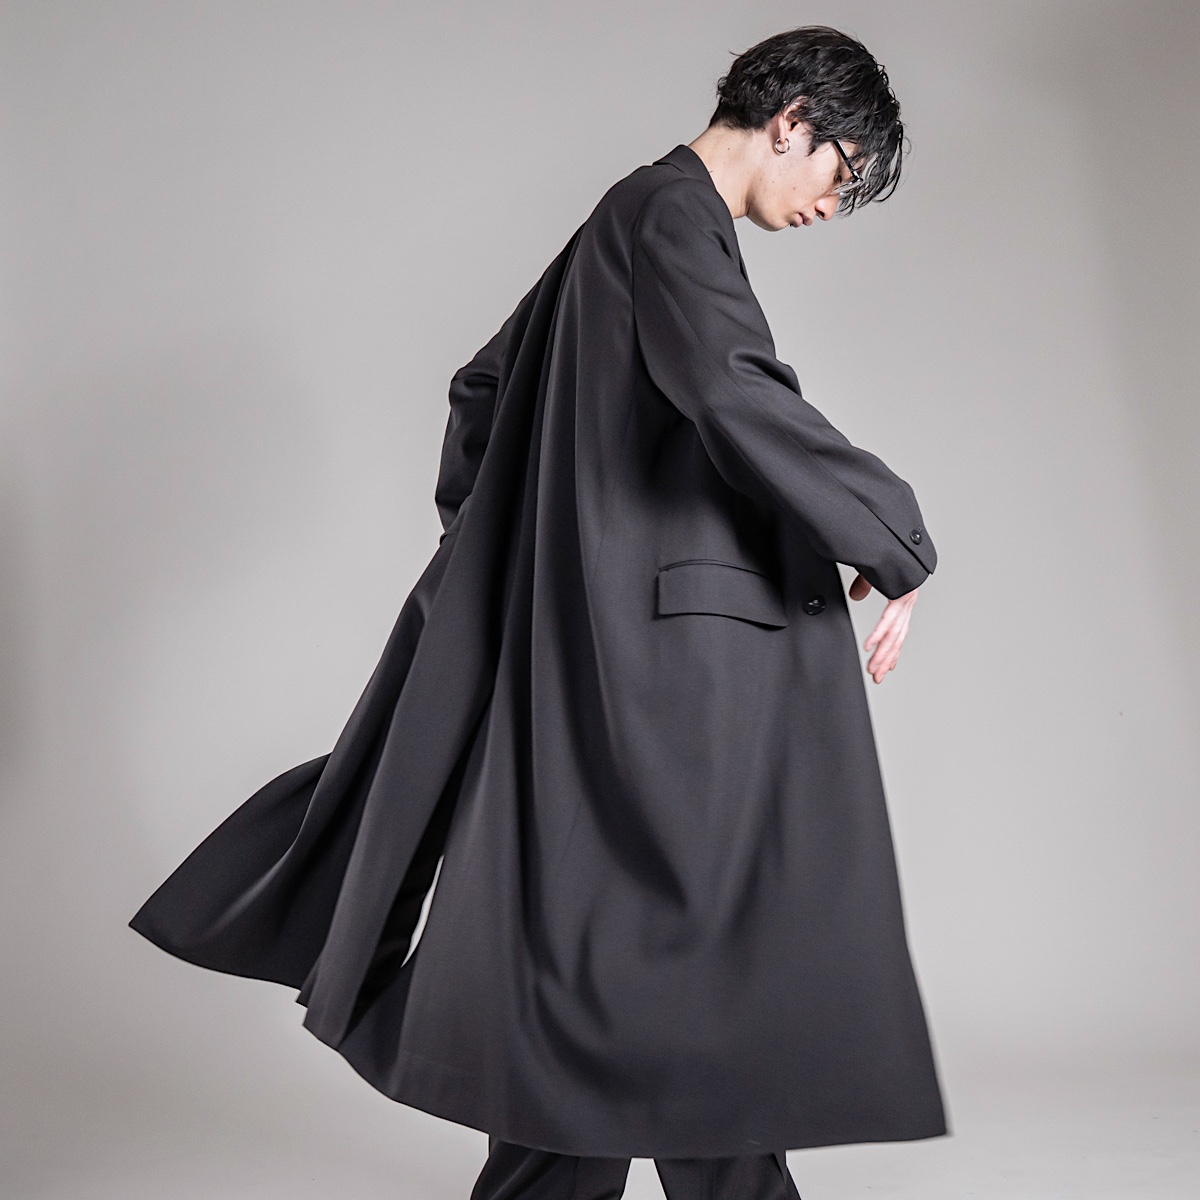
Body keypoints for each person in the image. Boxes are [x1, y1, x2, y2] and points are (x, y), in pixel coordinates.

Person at [130, 24, 947, 1200]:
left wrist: (522, 548)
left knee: (603, 974)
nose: (836, 202)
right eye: (845, 172)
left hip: (599, 659)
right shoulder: (670, 218)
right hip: (667, 681)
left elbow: (484, 388)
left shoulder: (632, 217)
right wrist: (894, 535)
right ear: (792, 124)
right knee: (669, 968)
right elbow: (729, 390)